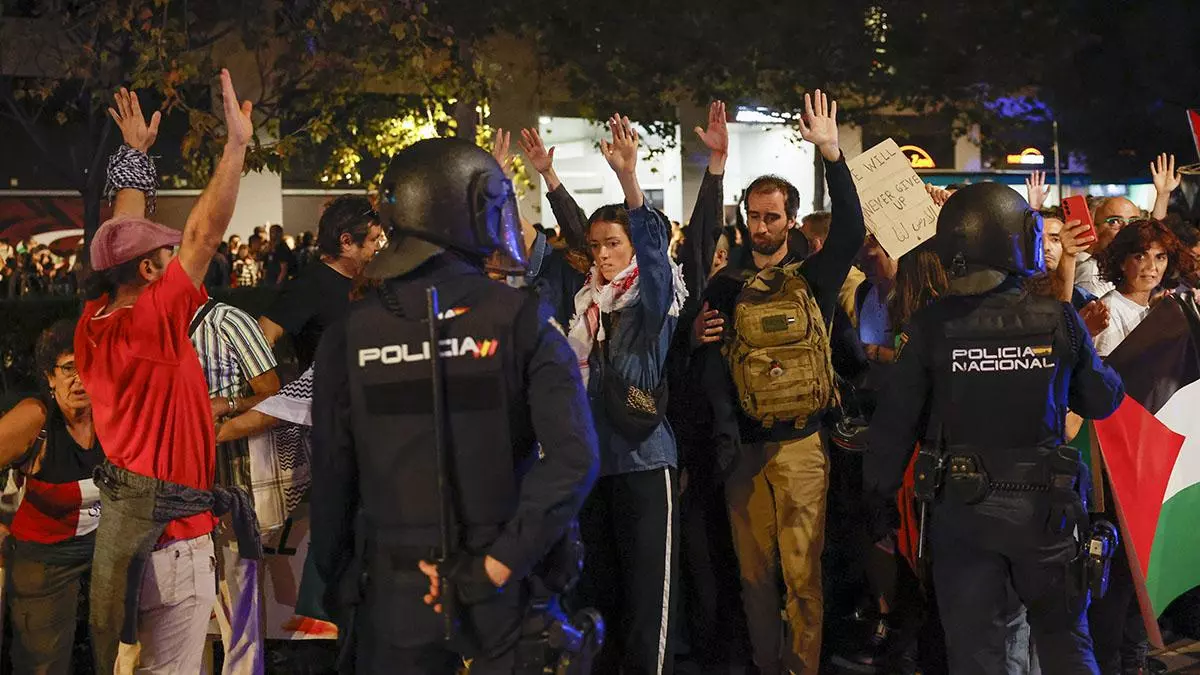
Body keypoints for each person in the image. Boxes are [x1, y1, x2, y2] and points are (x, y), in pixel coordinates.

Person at [310, 137, 599, 674]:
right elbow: (573, 459)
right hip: (500, 603)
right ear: (473, 208)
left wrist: (345, 586)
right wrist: (497, 564)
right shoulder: (521, 319)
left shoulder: (349, 335)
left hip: (393, 606)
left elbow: (330, 477)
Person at [865, 182, 1125, 675]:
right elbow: (1101, 398)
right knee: (1067, 643)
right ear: (1018, 241)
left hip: (961, 512)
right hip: (1046, 513)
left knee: (979, 655)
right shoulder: (1057, 318)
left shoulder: (929, 325)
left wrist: (877, 504)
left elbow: (894, 426)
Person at [74, 72, 261, 673]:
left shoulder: (92, 320)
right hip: (175, 545)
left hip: (128, 542)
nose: (170, 259)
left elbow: (118, 237)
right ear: (153, 273)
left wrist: (134, 157)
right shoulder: (154, 323)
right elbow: (206, 232)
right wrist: (235, 146)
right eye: (162, 254)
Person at [698, 89, 865, 675]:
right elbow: (697, 251)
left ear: (791, 220)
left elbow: (850, 229)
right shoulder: (725, 283)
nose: (762, 226)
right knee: (754, 578)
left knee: (803, 577)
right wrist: (715, 171)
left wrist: (832, 155)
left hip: (801, 447)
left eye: (772, 216)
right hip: (743, 450)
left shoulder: (814, 277)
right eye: (754, 215)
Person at [0, 320, 103, 674]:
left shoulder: (112, 414)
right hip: (44, 556)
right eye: (69, 369)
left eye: (88, 366)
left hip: (103, 551)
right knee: (43, 663)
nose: (79, 379)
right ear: (50, 376)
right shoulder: (35, 417)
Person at [257, 196, 384, 371]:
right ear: (346, 242)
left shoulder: (368, 281)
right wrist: (272, 390)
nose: (378, 247)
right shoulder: (311, 284)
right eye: (373, 240)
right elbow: (264, 333)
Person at [1092, 219, 1197, 357]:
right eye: (1140, 257)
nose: (1152, 267)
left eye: (1160, 257)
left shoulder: (1149, 308)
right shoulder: (1109, 309)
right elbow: (1108, 373)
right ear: (1122, 262)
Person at [1074, 197, 1141, 299]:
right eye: (1114, 221)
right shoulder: (1092, 274)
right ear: (1095, 230)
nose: (1127, 228)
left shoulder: (1129, 267)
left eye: (1133, 221)